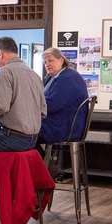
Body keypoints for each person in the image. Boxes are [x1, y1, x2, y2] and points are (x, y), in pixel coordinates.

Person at [0, 36, 46, 152]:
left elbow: (0, 107)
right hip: (33, 139)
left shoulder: (4, 72)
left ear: (0, 53)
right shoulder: (34, 74)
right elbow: (43, 111)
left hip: (12, 138)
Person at [38, 47, 89, 177]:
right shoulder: (57, 76)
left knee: (24, 132)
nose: (47, 64)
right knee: (25, 131)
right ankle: (45, 167)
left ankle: (45, 168)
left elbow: (51, 104)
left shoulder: (67, 78)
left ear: (61, 60)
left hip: (66, 127)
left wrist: (30, 103)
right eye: (45, 62)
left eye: (50, 60)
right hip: (63, 122)